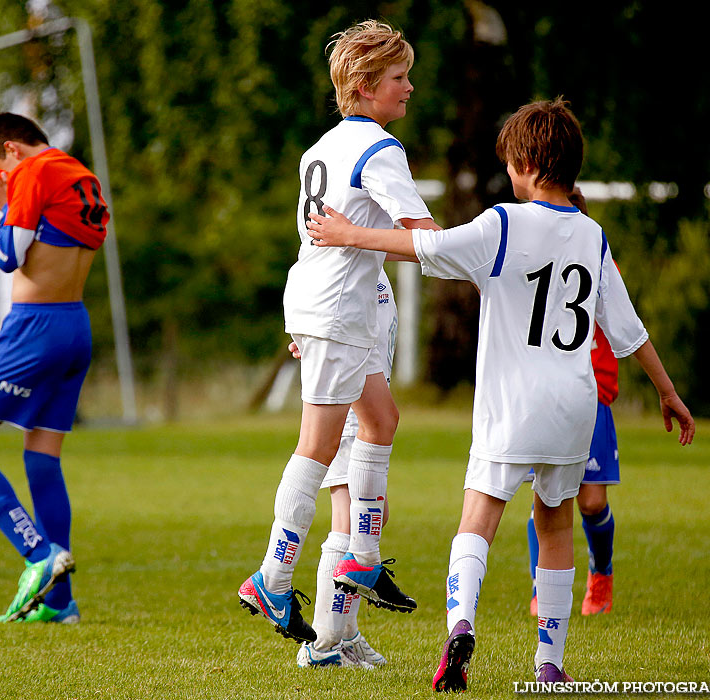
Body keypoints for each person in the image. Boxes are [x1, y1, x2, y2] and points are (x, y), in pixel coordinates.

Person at [305, 97, 695, 690]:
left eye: (511, 163)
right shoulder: (592, 235)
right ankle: (549, 662)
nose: (508, 175)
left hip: (511, 405)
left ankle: (460, 627)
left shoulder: (504, 223)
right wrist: (668, 391)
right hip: (574, 407)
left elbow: (429, 250)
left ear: (531, 165)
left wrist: (347, 233)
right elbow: (628, 329)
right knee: (556, 525)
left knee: (478, 521)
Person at [237, 20, 440, 643]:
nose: (410, 88)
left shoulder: (320, 148)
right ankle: (272, 577)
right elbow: (423, 238)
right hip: (338, 311)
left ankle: (363, 557)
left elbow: (318, 239)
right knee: (319, 444)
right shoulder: (380, 150)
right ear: (364, 85)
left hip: (325, 304)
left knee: (380, 422)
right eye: (400, 78)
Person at [0, 112, 109, 624]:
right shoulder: (83, 176)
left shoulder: (33, 172)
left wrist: (5, 204)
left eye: (2, 171)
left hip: (34, 327)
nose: (4, 182)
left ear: (12, 150)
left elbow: (8, 257)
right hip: (74, 326)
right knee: (42, 458)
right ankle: (59, 603)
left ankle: (38, 555)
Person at [291, 268, 397, 668]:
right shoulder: (349, 264)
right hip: (349, 409)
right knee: (350, 521)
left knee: (373, 519)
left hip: (363, 407)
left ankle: (345, 633)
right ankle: (322, 644)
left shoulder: (371, 267)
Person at [527, 188, 620, 617]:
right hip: (546, 396)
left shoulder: (598, 261)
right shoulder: (533, 268)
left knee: (591, 502)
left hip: (592, 396)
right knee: (545, 497)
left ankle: (601, 573)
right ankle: (539, 586)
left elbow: (623, 327)